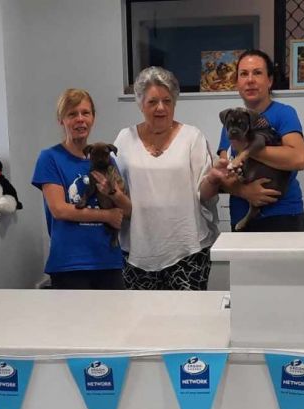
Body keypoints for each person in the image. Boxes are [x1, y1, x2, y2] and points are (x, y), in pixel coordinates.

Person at [114, 67, 220, 291]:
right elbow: (118, 189)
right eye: (152, 102)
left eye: (167, 100)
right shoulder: (125, 138)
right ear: (140, 104)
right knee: (141, 321)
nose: (160, 108)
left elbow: (204, 192)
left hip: (187, 249)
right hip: (138, 251)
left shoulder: (192, 137)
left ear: (175, 103)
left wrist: (216, 179)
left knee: (187, 321)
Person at [31, 89, 131, 289]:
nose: (80, 119)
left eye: (86, 113)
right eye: (72, 114)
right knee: (73, 321)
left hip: (108, 260)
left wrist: (114, 194)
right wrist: (107, 216)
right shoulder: (50, 158)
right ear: (61, 120)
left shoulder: (106, 158)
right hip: (70, 263)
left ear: (93, 118)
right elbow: (59, 210)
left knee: (114, 320)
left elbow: (127, 210)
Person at [202, 49, 304, 232]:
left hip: (283, 216)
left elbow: (299, 158)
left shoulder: (283, 113)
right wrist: (245, 191)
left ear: (270, 80)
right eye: (243, 74)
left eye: (257, 73)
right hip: (241, 216)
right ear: (237, 82)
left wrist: (248, 149)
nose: (250, 80)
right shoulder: (231, 123)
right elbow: (225, 173)